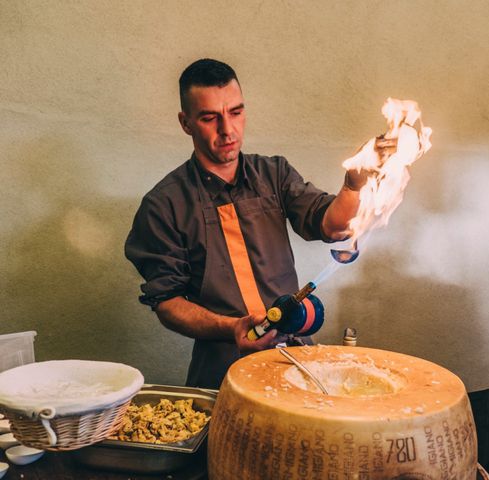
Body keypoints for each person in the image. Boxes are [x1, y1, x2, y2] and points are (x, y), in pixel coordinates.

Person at [125, 58, 380, 389]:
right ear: (185, 123)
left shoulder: (274, 175)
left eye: (235, 112)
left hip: (296, 362)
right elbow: (167, 303)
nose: (227, 130)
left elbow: (332, 227)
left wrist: (353, 185)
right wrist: (231, 327)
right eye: (209, 118)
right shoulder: (163, 205)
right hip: (222, 372)